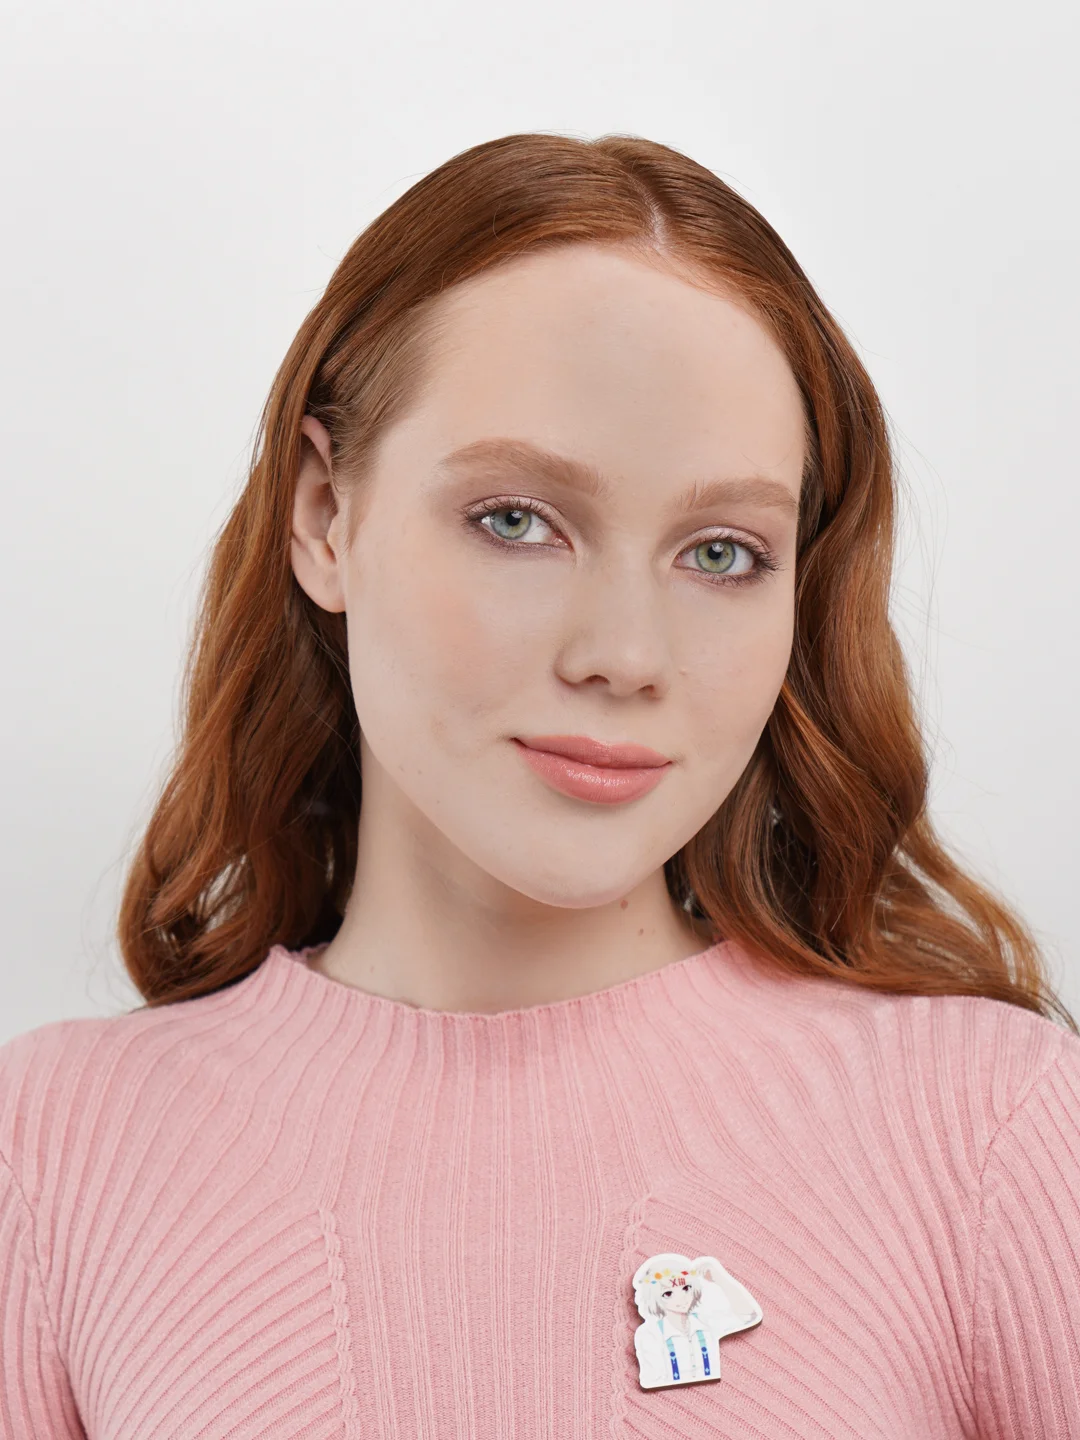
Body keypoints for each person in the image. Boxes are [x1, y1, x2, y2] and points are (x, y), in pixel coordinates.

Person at [1, 132, 1077, 1439]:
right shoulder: (50, 1155)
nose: (624, 654)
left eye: (722, 552)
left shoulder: (995, 1131)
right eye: (517, 520)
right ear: (325, 515)